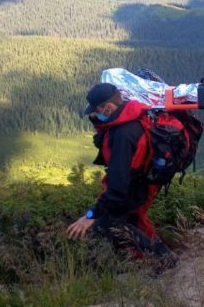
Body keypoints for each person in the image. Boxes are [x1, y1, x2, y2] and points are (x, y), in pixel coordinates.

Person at [67, 83, 178, 272]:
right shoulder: (132, 117)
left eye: (97, 111)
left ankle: (163, 261)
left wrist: (89, 216)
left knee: (107, 225)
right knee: (132, 221)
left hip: (132, 189)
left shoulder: (123, 135)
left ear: (109, 108)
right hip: (141, 183)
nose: (95, 115)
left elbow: (117, 190)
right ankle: (158, 259)